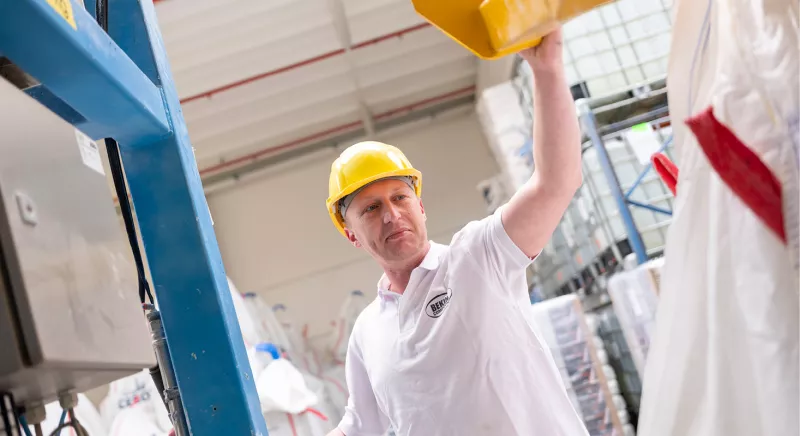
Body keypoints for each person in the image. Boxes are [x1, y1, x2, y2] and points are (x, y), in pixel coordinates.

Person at [324, 28, 588, 436]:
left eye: (400, 198)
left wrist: (547, 70)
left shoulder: (480, 257)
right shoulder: (367, 333)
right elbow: (361, 426)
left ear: (421, 206)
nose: (392, 215)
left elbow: (556, 182)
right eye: (372, 209)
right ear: (351, 234)